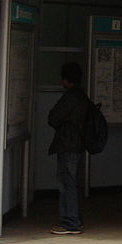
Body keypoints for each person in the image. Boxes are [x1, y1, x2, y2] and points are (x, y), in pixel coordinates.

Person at [47, 61, 91, 234]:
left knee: (67, 184)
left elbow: (53, 117)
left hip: (68, 145)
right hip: (77, 144)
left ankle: (70, 222)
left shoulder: (71, 97)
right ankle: (75, 220)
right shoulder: (82, 96)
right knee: (73, 183)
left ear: (66, 79)